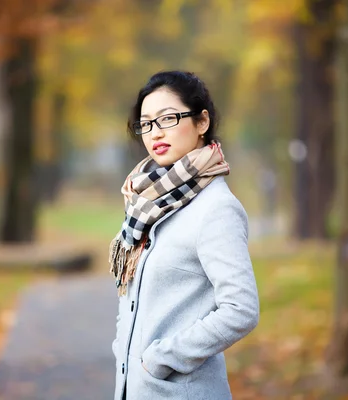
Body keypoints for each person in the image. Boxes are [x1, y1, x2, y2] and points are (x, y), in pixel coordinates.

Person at [109, 70, 260, 400]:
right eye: (146, 123)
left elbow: (241, 309)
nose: (155, 133)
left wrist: (161, 360)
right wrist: (125, 354)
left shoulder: (216, 208)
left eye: (168, 119)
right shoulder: (146, 201)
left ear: (202, 122)